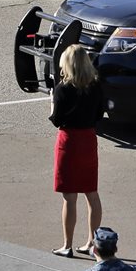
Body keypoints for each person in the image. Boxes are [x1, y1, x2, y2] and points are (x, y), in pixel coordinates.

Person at [49, 45, 104, 257]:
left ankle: (67, 245)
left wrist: (51, 106)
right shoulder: (95, 86)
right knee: (91, 192)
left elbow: (57, 120)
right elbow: (100, 114)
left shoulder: (63, 89)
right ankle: (92, 242)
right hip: (88, 139)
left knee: (69, 197)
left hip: (69, 141)